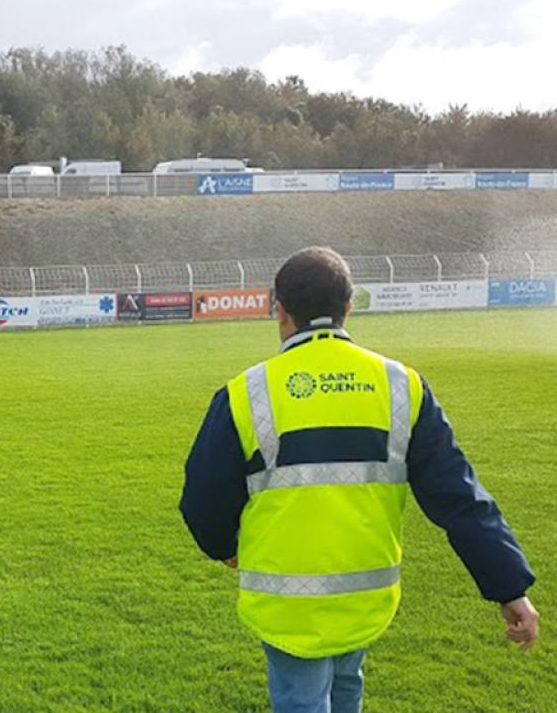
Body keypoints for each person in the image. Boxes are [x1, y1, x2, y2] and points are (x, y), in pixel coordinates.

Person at [179, 247, 538, 713]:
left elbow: (202, 497)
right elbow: (460, 498)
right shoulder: (402, 386)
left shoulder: (246, 392)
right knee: (347, 691)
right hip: (365, 597)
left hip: (287, 602)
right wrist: (510, 588)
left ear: (279, 309)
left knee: (302, 700)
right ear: (349, 306)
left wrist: (222, 545)